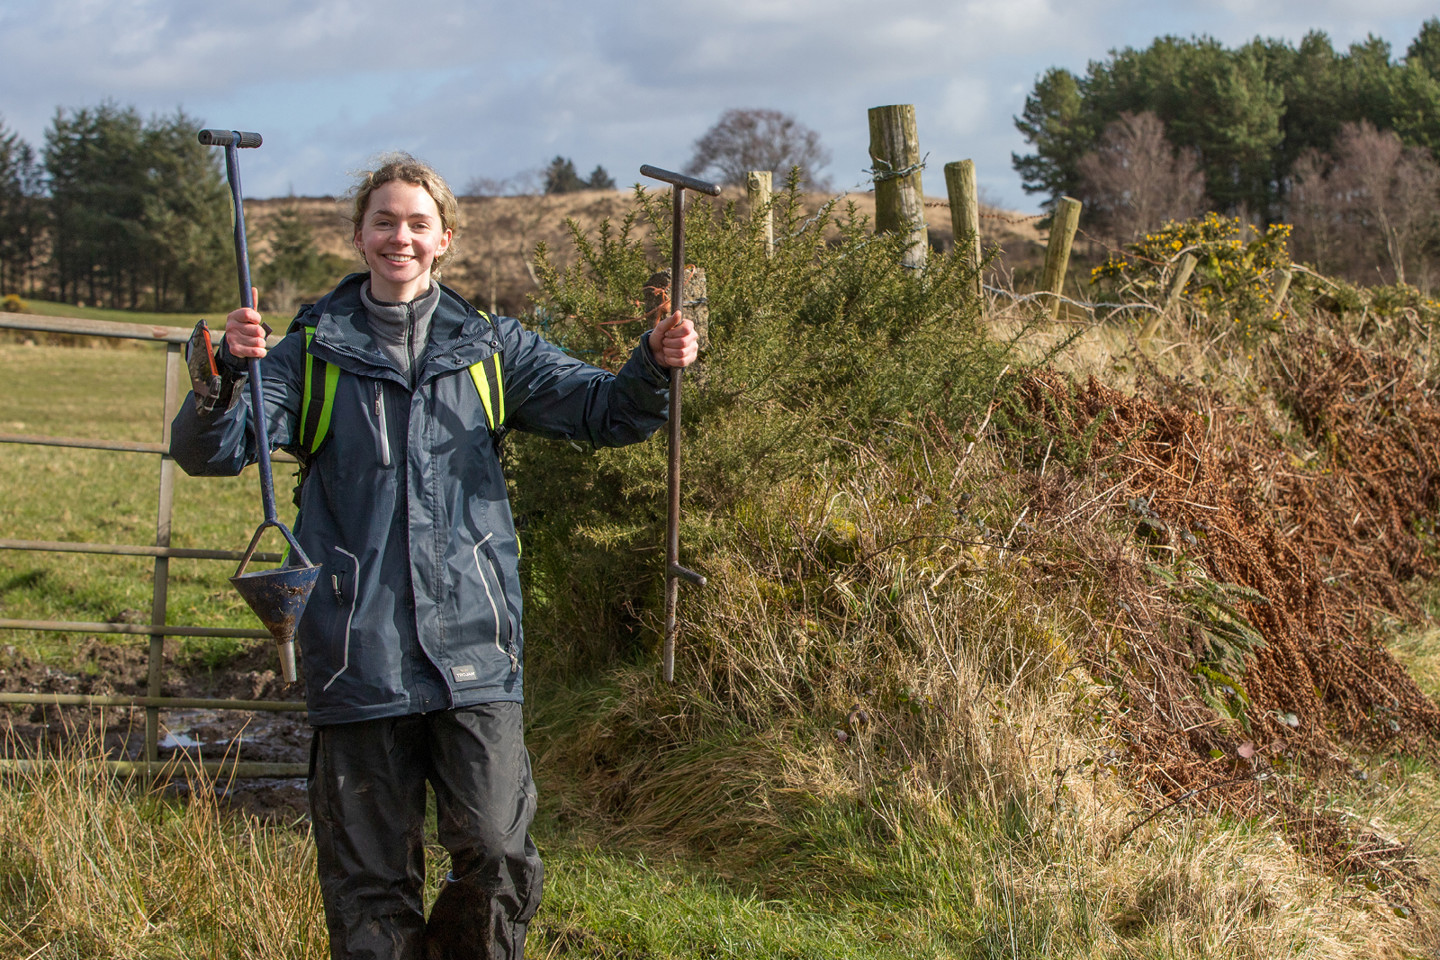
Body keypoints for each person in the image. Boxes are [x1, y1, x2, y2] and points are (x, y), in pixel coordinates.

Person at [170, 153, 697, 960]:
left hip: (476, 650)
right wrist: (220, 377)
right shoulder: (310, 354)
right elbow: (216, 450)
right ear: (358, 235)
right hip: (355, 655)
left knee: (495, 853)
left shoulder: (492, 350)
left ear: (445, 238)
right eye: (384, 221)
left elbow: (604, 412)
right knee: (369, 881)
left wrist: (654, 363)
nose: (400, 237)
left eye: (418, 223)